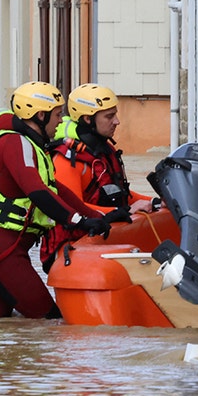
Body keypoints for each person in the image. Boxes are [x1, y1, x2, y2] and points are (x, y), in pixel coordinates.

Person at [0, 81, 111, 319]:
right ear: (40, 116)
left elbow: (56, 190)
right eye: (57, 115)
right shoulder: (15, 143)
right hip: (2, 250)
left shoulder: (30, 144)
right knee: (51, 322)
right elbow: (37, 192)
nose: (61, 122)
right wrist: (77, 221)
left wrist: (97, 217)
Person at [39, 83, 161, 271]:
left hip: (101, 238)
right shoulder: (67, 159)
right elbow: (70, 208)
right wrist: (121, 211)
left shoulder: (104, 151)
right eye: (109, 116)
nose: (117, 121)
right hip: (72, 246)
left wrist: (154, 202)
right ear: (88, 119)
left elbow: (121, 194)